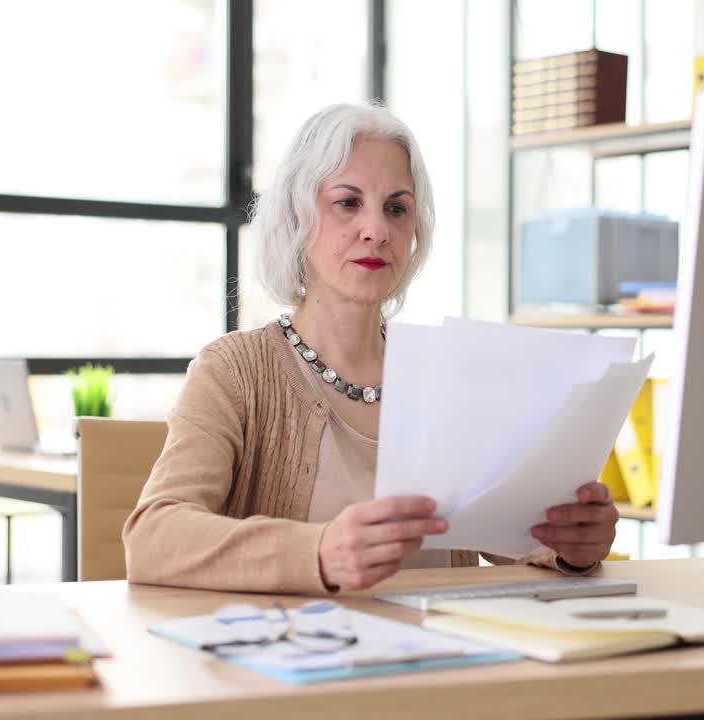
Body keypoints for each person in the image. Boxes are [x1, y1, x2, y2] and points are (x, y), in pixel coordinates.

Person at [122, 102, 618, 593]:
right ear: (298, 220)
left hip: (451, 660)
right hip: (304, 661)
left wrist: (571, 545)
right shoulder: (233, 371)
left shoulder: (451, 373)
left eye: (396, 208)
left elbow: (509, 535)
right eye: (348, 202)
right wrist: (318, 553)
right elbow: (152, 537)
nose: (376, 231)